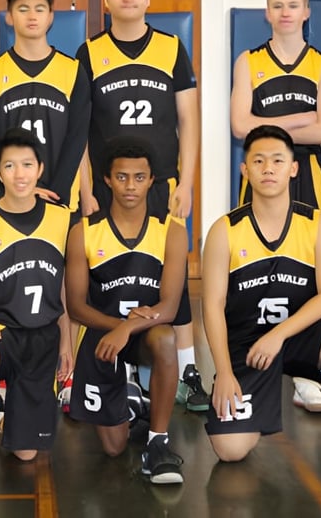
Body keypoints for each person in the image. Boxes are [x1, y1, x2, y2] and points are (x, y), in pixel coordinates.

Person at [202, 125, 321, 476]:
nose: (268, 169)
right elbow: (211, 306)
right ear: (245, 170)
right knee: (230, 450)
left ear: (293, 168)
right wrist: (223, 372)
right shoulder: (224, 231)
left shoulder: (318, 224)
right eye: (258, 161)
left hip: (299, 335)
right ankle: (285, 387)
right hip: (248, 345)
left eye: (277, 160)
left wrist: (279, 334)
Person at [75, 0, 205, 412]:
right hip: (109, 187)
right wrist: (86, 189)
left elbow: (189, 119)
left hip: (161, 183)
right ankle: (122, 371)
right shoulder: (89, 53)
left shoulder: (171, 48)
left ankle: (188, 371)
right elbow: (80, 130)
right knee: (111, 275)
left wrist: (187, 182)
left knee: (172, 279)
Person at [229, 0, 321, 413]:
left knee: (310, 269)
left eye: (293, 5)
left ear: (306, 12)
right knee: (252, 266)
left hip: (307, 172)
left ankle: (306, 375)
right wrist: (301, 118)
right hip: (259, 174)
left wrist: (269, 126)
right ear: (267, 12)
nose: (285, 12)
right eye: (277, 5)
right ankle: (246, 360)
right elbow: (240, 127)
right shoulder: (248, 61)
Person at [0, 128, 75, 490]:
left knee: (25, 452)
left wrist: (67, 342)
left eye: (27, 165)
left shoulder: (63, 219)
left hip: (42, 337)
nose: (19, 174)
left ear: (40, 169)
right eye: (9, 166)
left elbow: (64, 289)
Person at [65, 136, 187, 484]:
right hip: (102, 336)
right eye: (121, 177)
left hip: (144, 334)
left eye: (138, 177)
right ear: (107, 179)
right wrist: (116, 327)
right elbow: (76, 306)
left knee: (165, 339)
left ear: (151, 180)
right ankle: (129, 396)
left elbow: (170, 307)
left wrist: (126, 329)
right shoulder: (84, 232)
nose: (130, 186)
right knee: (114, 448)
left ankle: (157, 443)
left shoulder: (171, 232)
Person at [0, 0, 90, 212]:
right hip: (6, 198)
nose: (32, 16)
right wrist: (23, 189)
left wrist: (56, 192)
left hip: (60, 198)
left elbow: (77, 139)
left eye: (39, 9)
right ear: (9, 17)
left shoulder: (74, 71)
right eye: (23, 9)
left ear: (50, 17)